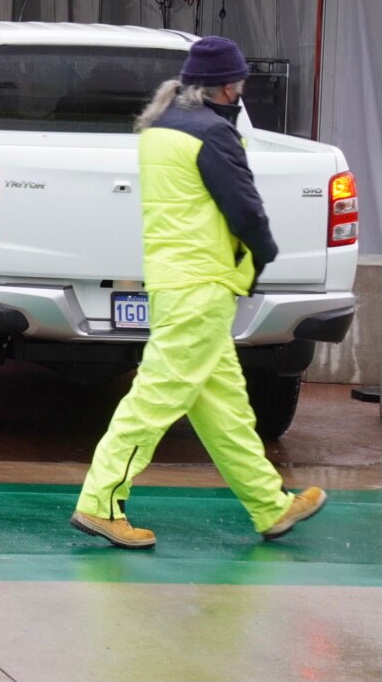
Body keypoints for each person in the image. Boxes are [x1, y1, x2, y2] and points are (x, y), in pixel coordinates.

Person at [70, 35, 325, 549]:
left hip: (175, 279)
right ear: (225, 88)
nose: (241, 95)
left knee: (226, 408)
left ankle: (269, 505)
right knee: (155, 398)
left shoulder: (160, 129)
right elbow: (246, 210)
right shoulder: (212, 135)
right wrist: (265, 253)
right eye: (239, 87)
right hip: (203, 286)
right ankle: (100, 502)